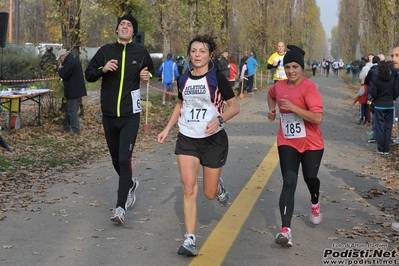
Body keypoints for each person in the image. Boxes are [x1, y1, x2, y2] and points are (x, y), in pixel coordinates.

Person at [157, 34, 240, 256]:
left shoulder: (217, 78)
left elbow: (234, 106)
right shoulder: (183, 79)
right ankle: (190, 240)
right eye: (193, 51)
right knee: (188, 187)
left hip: (213, 140)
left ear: (210, 55)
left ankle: (219, 186)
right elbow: (180, 104)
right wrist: (167, 128)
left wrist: (219, 119)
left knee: (209, 194)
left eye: (202, 51)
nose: (197, 55)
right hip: (187, 138)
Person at [85, 14, 155, 225]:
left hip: (130, 115)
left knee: (125, 159)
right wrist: (102, 69)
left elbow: (151, 71)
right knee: (116, 160)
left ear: (134, 32)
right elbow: (88, 74)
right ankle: (131, 184)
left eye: (129, 25)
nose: (125, 27)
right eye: (122, 24)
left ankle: (120, 207)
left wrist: (147, 76)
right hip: (109, 115)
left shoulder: (141, 52)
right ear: (117, 30)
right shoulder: (105, 51)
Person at [267, 45, 324, 248]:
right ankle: (285, 230)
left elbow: (317, 118)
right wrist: (272, 110)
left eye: (295, 67)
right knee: (289, 181)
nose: (291, 71)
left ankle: (315, 201)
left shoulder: (309, 88)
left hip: (311, 143)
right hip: (288, 141)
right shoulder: (280, 86)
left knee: (310, 178)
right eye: (288, 67)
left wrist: (294, 109)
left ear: (302, 68)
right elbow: (271, 93)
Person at [370, 61, 399, 154]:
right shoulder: (392, 80)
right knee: (388, 127)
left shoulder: (375, 80)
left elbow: (373, 93)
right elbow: (396, 93)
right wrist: (392, 98)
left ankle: (380, 148)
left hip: (379, 106)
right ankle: (386, 149)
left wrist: (377, 98)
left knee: (380, 127)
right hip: (390, 106)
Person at [56, 49, 87, 134]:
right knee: (68, 109)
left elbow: (64, 74)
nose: (60, 60)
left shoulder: (70, 62)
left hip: (73, 90)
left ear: (63, 56)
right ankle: (66, 127)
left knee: (71, 110)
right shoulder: (72, 60)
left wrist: (59, 69)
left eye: (60, 58)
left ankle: (75, 129)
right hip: (74, 89)